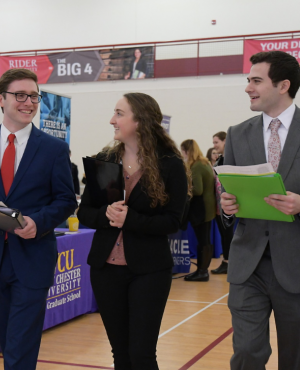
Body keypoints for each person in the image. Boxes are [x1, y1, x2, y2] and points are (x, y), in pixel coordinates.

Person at [0, 68, 77, 370]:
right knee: (9, 340)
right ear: (1, 98)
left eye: (34, 96)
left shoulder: (54, 149)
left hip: (33, 258)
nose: (28, 102)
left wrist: (39, 221)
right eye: (20, 95)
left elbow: (65, 200)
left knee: (21, 344)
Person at [77, 92, 189, 369]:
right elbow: (85, 213)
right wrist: (105, 214)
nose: (111, 120)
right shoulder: (104, 161)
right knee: (120, 353)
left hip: (149, 270)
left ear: (139, 120)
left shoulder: (170, 165)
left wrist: (131, 219)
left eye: (119, 113)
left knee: (141, 354)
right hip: (105, 269)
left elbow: (174, 221)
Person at [221, 50, 300, 370]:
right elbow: (230, 196)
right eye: (247, 80)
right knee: (247, 352)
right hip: (247, 265)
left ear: (283, 85)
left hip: (295, 265)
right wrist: (227, 206)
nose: (247, 87)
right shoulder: (237, 134)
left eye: (256, 80)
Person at [181, 139, 215, 281]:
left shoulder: (196, 166)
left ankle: (202, 271)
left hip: (202, 208)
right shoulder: (204, 162)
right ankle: (203, 270)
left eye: (183, 150)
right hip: (208, 206)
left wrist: (184, 189)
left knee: (203, 240)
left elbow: (198, 190)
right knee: (205, 239)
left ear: (187, 151)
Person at [211, 131, 234, 274]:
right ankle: (226, 260)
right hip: (219, 203)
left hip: (229, 204)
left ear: (225, 141)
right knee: (223, 234)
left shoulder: (232, 159)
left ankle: (228, 261)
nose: (214, 145)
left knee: (228, 234)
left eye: (216, 142)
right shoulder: (219, 160)